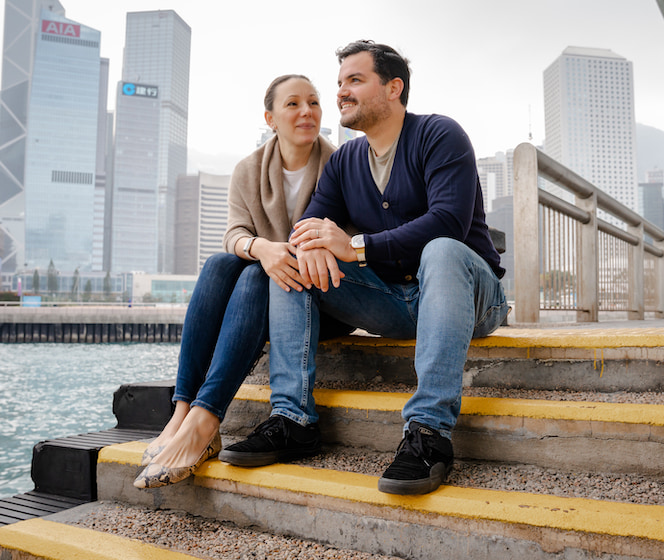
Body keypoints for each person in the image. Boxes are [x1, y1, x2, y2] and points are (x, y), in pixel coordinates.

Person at [218, 41, 509, 496]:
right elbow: (308, 225)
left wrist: (356, 246)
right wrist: (309, 243)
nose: (340, 93)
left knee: (443, 250)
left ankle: (428, 433)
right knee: (293, 260)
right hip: (393, 302)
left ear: (394, 88)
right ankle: (293, 419)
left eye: (354, 80)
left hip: (472, 298)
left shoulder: (440, 134)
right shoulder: (346, 161)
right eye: (339, 83)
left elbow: (448, 220)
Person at [134, 74, 339, 489]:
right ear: (271, 118)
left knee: (250, 276)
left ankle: (203, 422)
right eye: (294, 104)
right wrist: (264, 249)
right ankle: (184, 412)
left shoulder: (338, 164)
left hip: (316, 300)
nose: (307, 112)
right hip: (266, 285)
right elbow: (234, 235)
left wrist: (274, 257)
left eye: (314, 102)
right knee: (221, 264)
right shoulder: (249, 169)